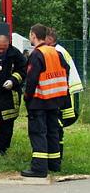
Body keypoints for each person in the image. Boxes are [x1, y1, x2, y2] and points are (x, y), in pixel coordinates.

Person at [21, 25, 70, 177]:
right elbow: (66, 69)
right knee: (52, 132)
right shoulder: (55, 51)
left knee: (38, 133)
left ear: (33, 35)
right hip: (55, 99)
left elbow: (32, 79)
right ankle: (54, 164)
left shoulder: (37, 54)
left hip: (40, 100)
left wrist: (27, 97)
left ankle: (39, 168)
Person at [45, 27, 84, 164]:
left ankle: (56, 157)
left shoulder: (57, 52)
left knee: (57, 125)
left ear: (49, 39)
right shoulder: (59, 50)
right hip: (63, 93)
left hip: (63, 94)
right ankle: (56, 156)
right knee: (56, 124)